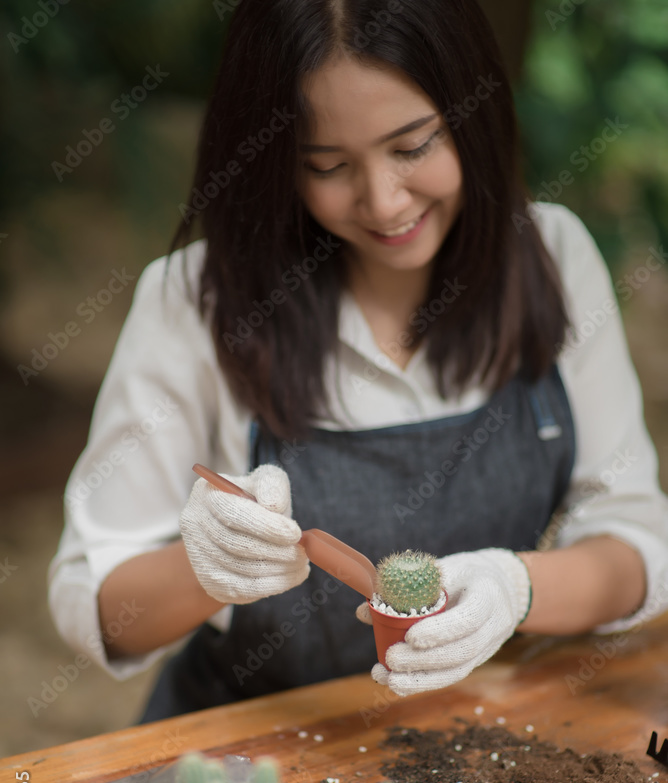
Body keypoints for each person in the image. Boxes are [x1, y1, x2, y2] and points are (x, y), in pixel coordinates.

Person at [48, 0, 668, 724]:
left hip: (473, 735)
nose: (383, 202)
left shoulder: (554, 258)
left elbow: (639, 543)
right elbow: (92, 606)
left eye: (413, 147)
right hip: (247, 760)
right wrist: (207, 569)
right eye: (328, 166)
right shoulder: (196, 301)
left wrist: (515, 587)